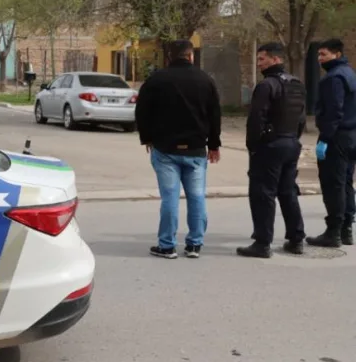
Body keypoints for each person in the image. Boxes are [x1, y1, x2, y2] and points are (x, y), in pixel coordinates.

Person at [135, 40, 222, 259]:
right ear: (191, 56)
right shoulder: (205, 80)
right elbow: (214, 115)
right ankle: (194, 245)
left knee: (170, 197)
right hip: (195, 150)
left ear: (168, 57)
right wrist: (213, 144)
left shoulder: (156, 80)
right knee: (197, 197)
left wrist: (147, 138)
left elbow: (142, 111)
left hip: (165, 149)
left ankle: (167, 245)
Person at [236, 42, 307, 258]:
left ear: (275, 59)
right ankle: (296, 239)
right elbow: (301, 118)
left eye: (262, 59)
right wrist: (293, 139)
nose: (259, 64)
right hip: (291, 143)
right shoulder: (296, 84)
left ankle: (262, 242)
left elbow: (256, 119)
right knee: (287, 192)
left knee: (262, 194)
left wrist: (253, 147)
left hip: (270, 145)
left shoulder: (267, 85)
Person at [306, 38, 356, 248]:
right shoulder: (350, 74)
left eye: (324, 55)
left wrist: (325, 138)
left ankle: (333, 231)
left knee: (333, 183)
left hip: (336, 137)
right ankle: (346, 230)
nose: (320, 59)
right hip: (351, 135)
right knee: (345, 183)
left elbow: (334, 111)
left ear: (336, 54)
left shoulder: (334, 78)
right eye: (318, 55)